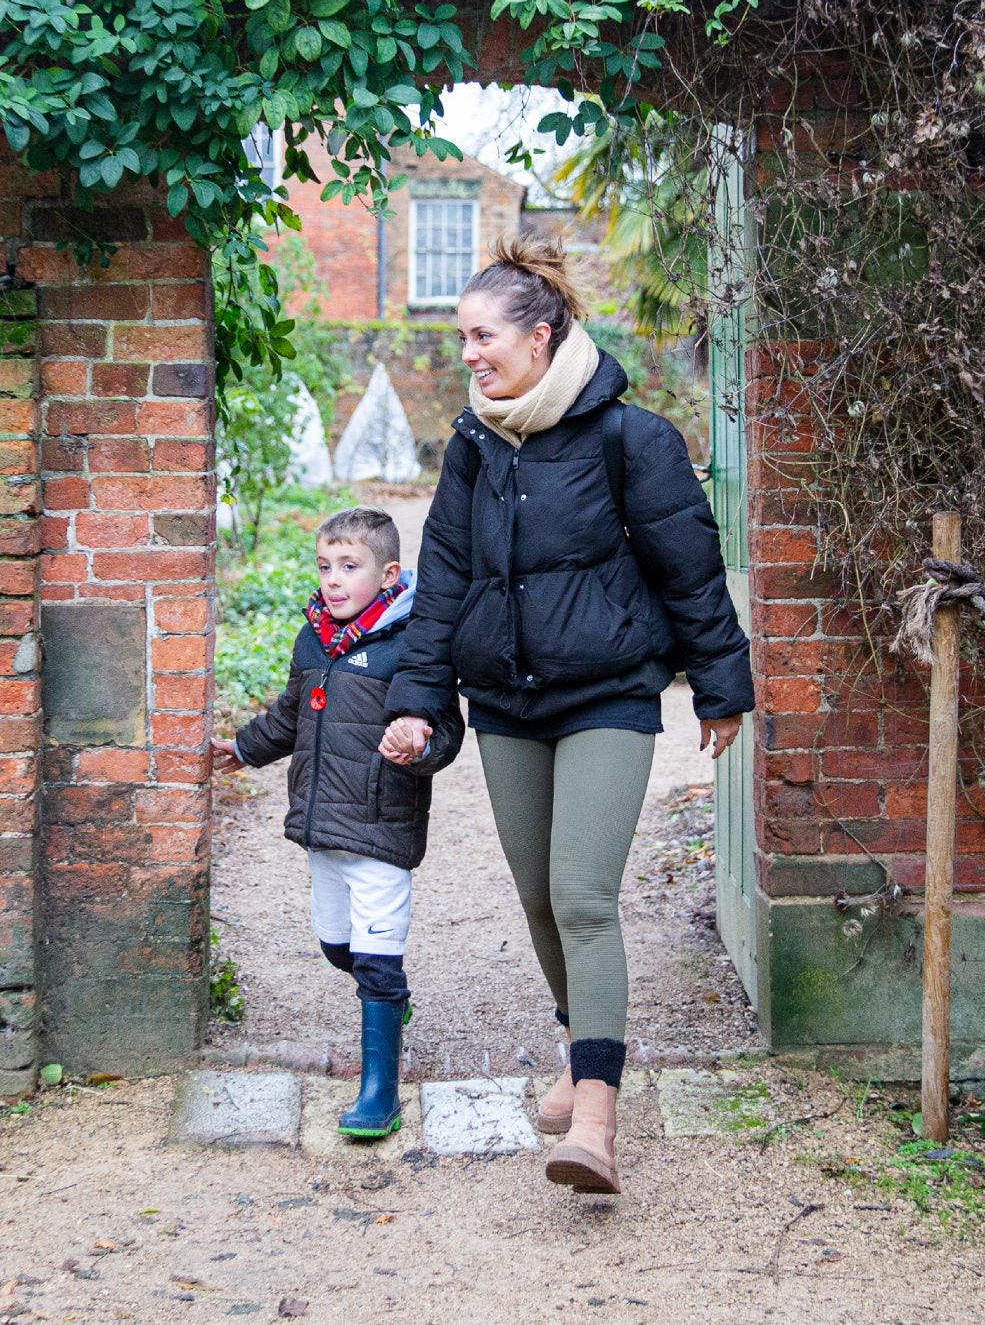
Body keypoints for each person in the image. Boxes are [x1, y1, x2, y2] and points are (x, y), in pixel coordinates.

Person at [379, 239, 754, 1196]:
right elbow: (447, 582)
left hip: (608, 698)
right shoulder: (473, 446)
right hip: (505, 704)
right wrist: (419, 700)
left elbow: (690, 566)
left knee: (583, 895)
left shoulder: (632, 438)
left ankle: (596, 1119)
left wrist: (722, 684)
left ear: (542, 338)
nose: (467, 353)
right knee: (542, 898)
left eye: (482, 335)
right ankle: (581, 1047)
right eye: (460, 335)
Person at [211, 506, 463, 1140]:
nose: (333, 579)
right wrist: (241, 750)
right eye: (325, 566)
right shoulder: (314, 639)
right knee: (336, 947)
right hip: (323, 828)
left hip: (381, 828)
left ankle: (379, 1091)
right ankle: (392, 999)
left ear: (388, 574)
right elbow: (290, 717)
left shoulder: (413, 643)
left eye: (349, 567)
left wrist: (420, 744)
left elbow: (447, 732)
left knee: (378, 962)